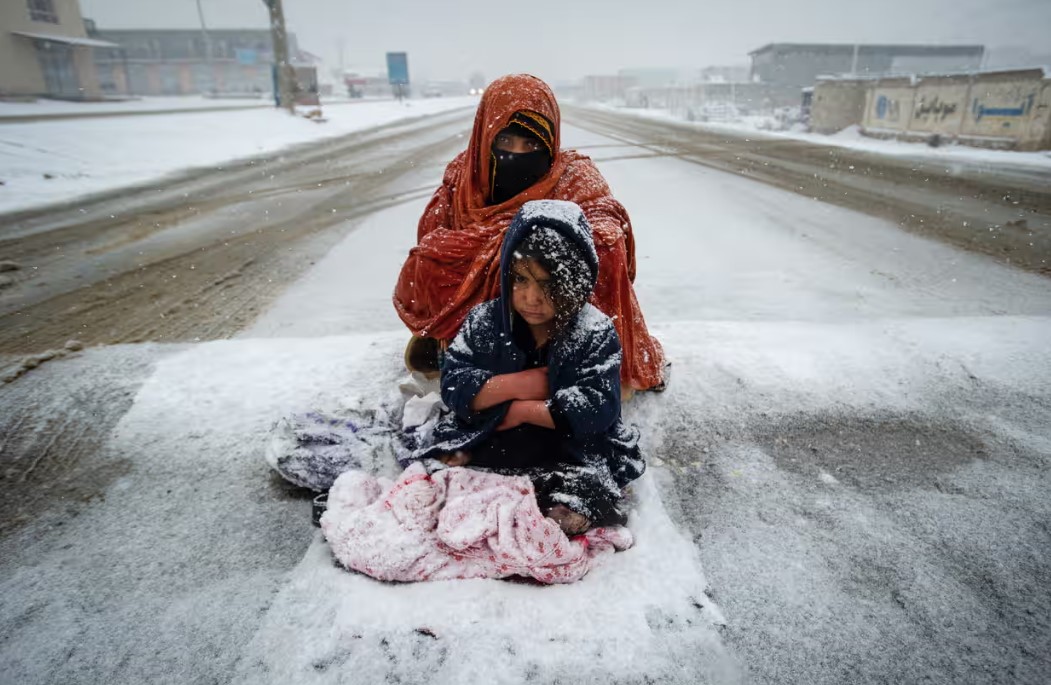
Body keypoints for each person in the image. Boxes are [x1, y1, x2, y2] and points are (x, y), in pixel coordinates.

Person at [394, 73, 667, 393]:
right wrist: (495, 248)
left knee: (590, 253)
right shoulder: (465, 177)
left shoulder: (572, 175)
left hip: (557, 320)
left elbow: (604, 220)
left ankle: (569, 355)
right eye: (505, 142)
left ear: (549, 144)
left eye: (532, 144)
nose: (517, 153)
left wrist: (536, 246)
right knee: (433, 259)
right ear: (486, 138)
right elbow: (431, 241)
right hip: (482, 328)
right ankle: (459, 338)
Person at [414, 200, 645, 536]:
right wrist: (518, 384)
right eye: (521, 280)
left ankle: (554, 504)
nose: (531, 298)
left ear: (575, 282)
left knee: (587, 483)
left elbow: (599, 407)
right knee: (445, 474)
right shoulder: (485, 322)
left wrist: (524, 410)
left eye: (549, 285)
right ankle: (492, 486)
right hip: (497, 431)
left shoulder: (594, 332)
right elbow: (454, 384)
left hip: (566, 442)